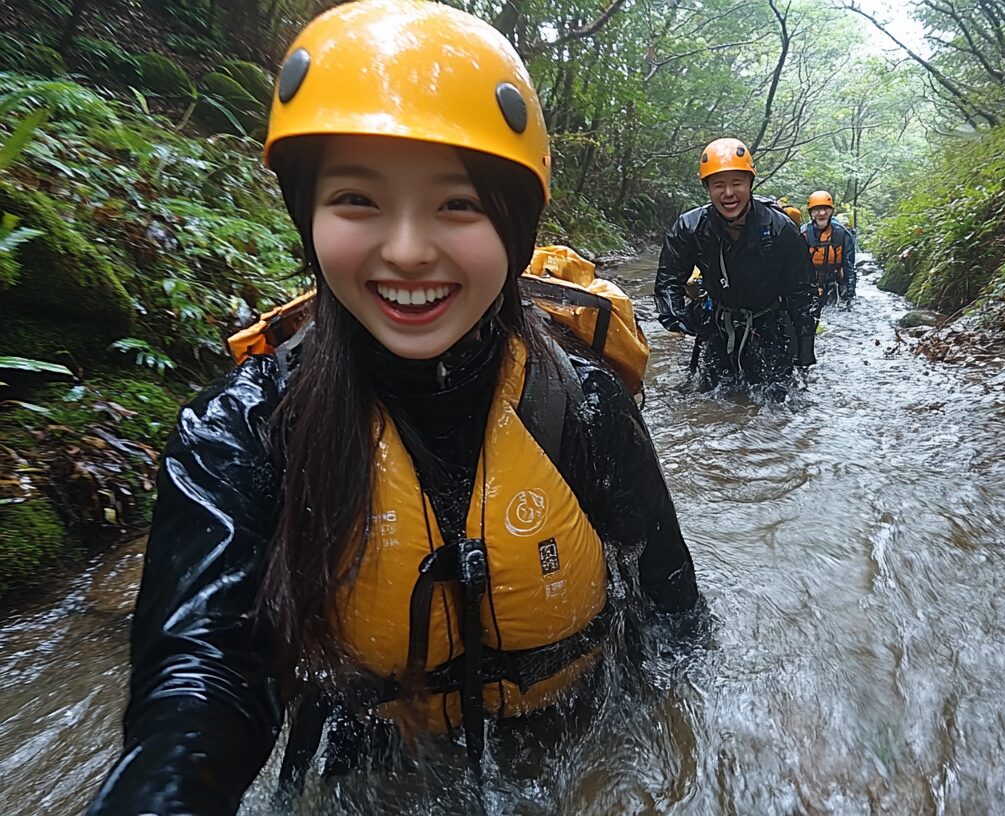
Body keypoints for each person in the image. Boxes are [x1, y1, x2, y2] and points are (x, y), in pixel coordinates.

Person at [86, 1, 700, 812]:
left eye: (457, 205)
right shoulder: (245, 430)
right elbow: (201, 678)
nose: (408, 249)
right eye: (356, 200)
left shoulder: (580, 402)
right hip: (376, 760)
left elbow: (670, 603)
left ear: (514, 228)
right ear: (307, 218)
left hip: (578, 732)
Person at [654, 138, 817, 397]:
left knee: (776, 404)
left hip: (769, 328)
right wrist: (679, 320)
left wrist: (805, 351)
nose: (728, 193)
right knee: (708, 399)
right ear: (707, 188)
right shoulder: (690, 228)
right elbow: (669, 280)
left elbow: (801, 292)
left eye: (737, 183)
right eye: (719, 185)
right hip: (718, 326)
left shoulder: (781, 229)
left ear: (750, 184)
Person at [801, 190, 857, 314]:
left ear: (831, 211)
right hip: (812, 284)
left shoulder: (843, 234)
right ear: (811, 213)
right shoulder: (803, 235)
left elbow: (849, 265)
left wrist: (850, 290)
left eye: (826, 209)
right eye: (816, 210)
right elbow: (795, 266)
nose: (821, 213)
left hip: (835, 284)